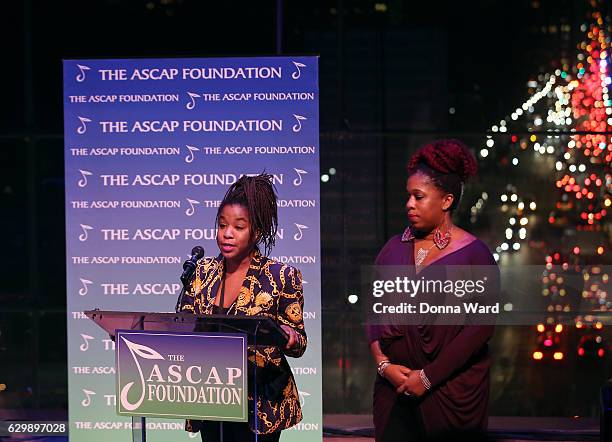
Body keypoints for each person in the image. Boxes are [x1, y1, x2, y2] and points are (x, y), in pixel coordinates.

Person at [368, 139, 498, 441]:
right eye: (408, 196)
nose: (409, 204)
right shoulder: (391, 250)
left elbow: (480, 329)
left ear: (446, 201)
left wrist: (427, 378)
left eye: (419, 196)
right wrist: (383, 365)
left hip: (450, 396)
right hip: (393, 391)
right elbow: (373, 314)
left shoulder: (474, 255)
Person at [179, 174, 307, 442]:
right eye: (222, 225)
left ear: (256, 232)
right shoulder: (201, 273)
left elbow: (299, 344)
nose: (227, 233)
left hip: (260, 403)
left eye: (238, 227)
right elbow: (185, 327)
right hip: (211, 397)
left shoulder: (282, 275)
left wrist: (287, 336)